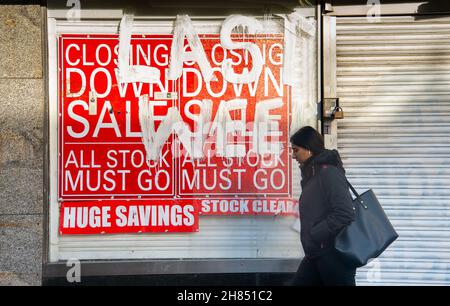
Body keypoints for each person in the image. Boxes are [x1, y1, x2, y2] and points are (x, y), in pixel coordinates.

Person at [290, 126, 356, 286]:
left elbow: (345, 212)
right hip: (317, 252)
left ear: (309, 149)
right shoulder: (313, 173)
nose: (293, 155)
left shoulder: (328, 173)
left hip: (333, 255)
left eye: (296, 150)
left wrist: (316, 234)